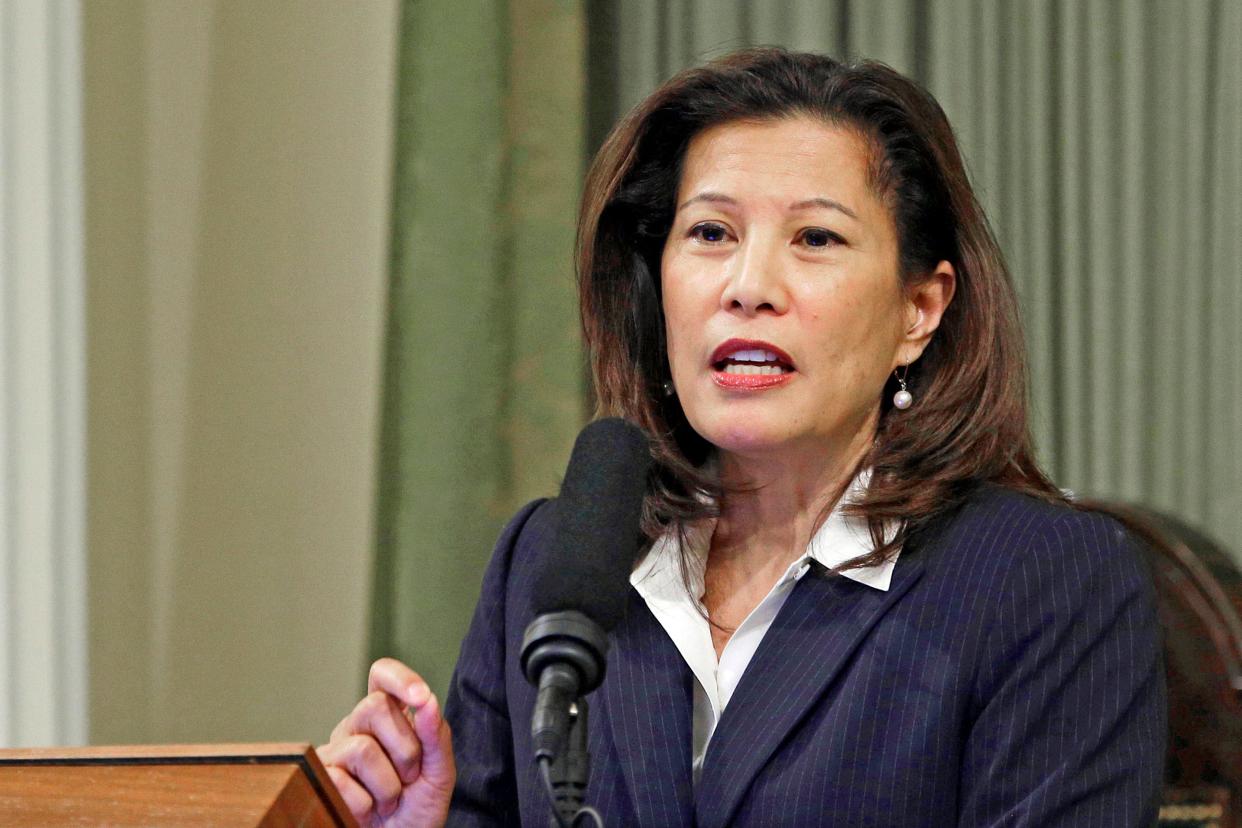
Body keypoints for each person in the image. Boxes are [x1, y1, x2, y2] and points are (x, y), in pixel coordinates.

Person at [317, 47, 1167, 826]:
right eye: (711, 233)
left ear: (920, 310)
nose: (748, 285)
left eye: (816, 238)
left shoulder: (1045, 584)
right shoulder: (557, 564)